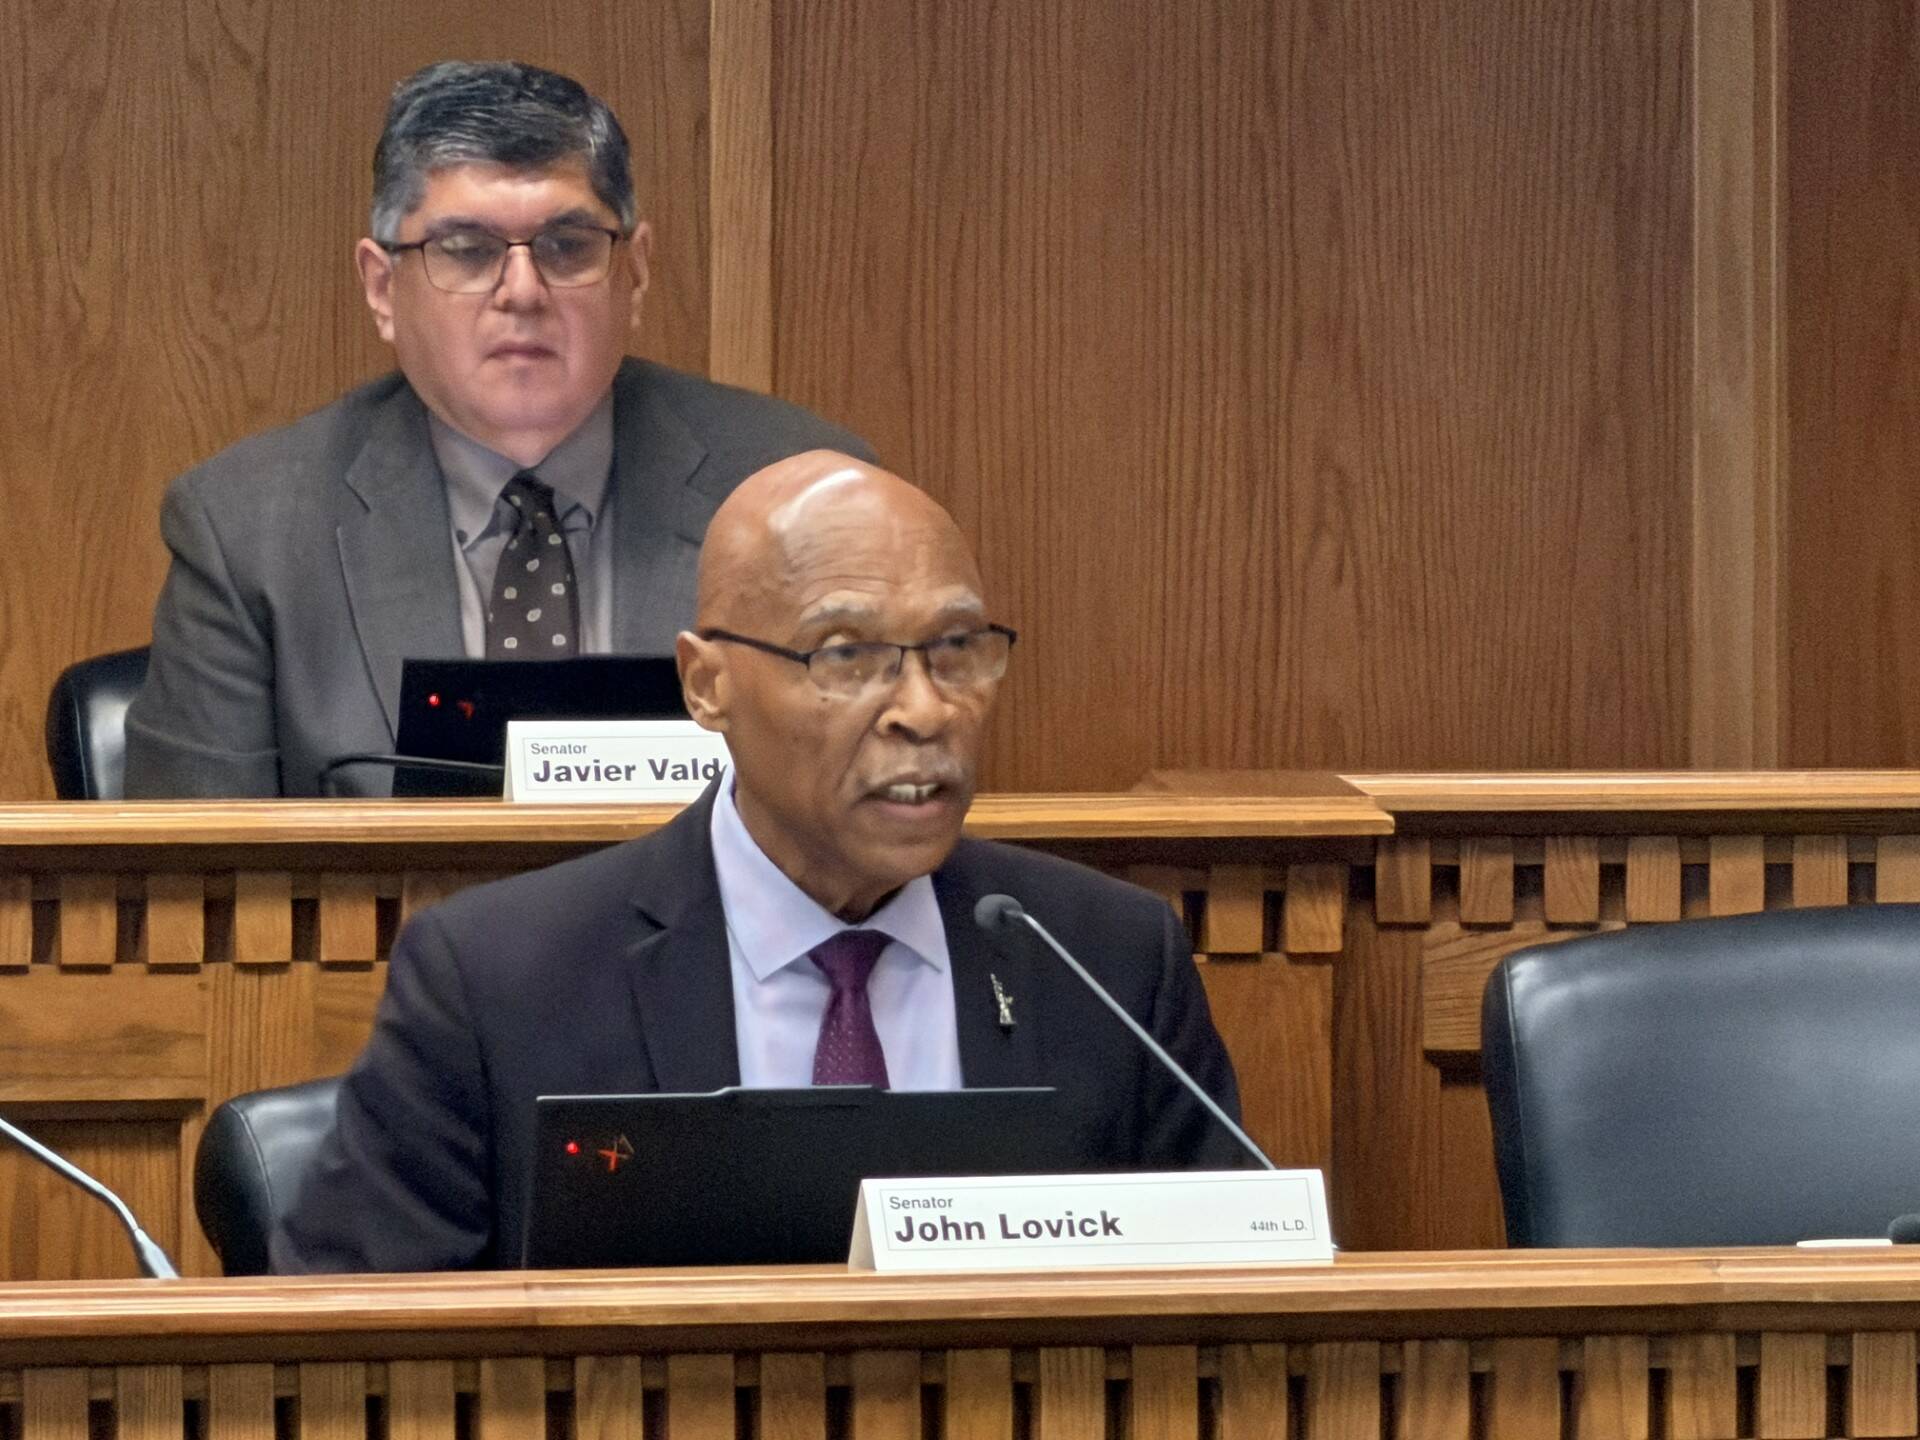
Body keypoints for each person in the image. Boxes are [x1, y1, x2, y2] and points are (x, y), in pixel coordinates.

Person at [272, 450, 1245, 1272]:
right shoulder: (499, 982)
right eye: (846, 655)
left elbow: (1232, 1310)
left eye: (956, 648)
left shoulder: (1109, 962)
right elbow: (347, 1353)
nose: (925, 710)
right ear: (708, 685)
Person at [123, 61, 871, 798]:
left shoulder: (807, 499)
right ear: (382, 289)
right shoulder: (249, 531)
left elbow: (869, 818)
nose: (522, 292)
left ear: (636, 273)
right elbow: (194, 867)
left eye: (567, 246)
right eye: (467, 250)